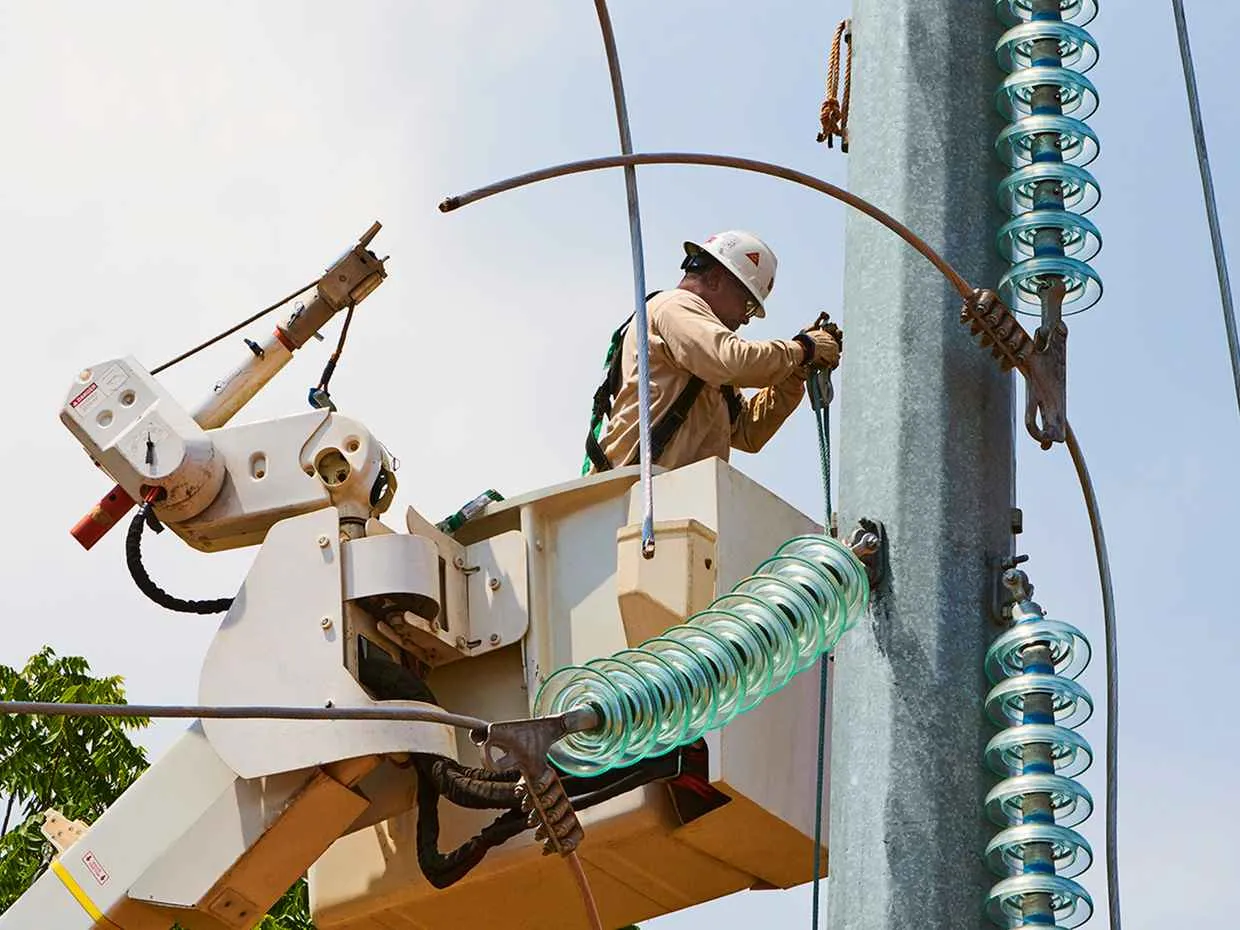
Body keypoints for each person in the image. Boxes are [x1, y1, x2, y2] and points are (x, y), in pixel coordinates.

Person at [585, 230, 841, 473]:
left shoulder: (705, 350)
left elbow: (747, 431)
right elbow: (732, 360)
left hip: (675, 496)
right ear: (716, 279)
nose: (745, 319)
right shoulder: (675, 306)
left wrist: (795, 372)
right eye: (748, 304)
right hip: (634, 493)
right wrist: (803, 349)